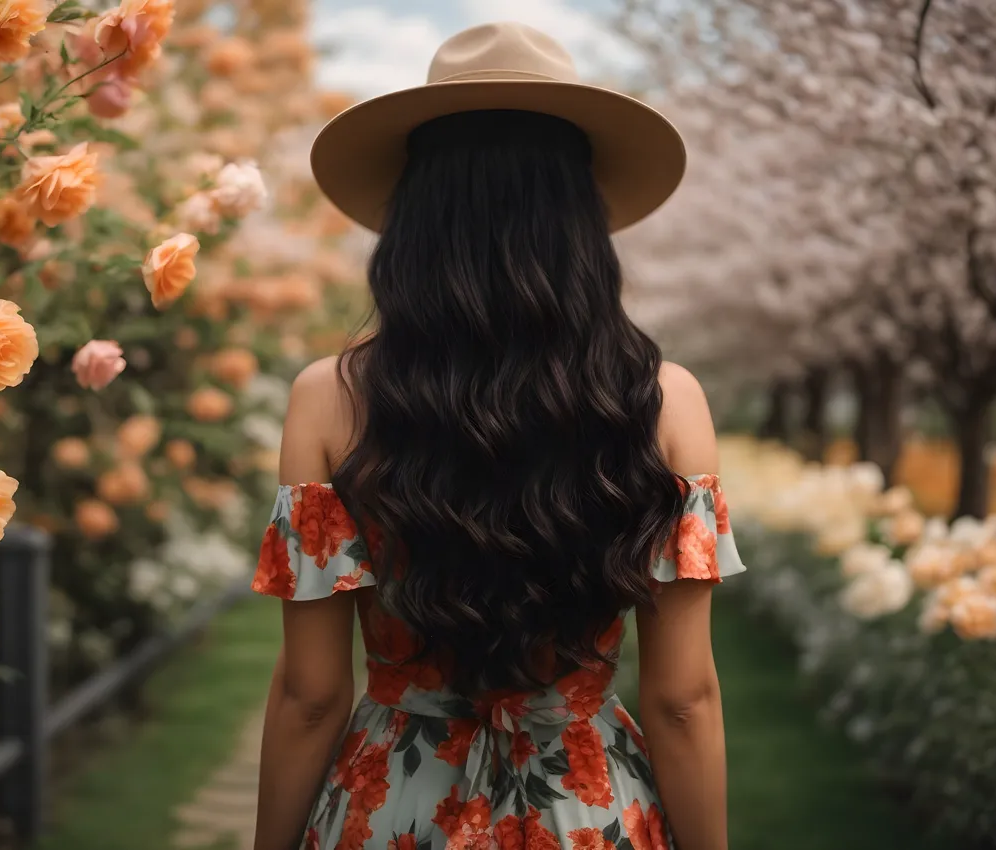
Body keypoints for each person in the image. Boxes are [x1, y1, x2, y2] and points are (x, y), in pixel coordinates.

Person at [251, 21, 743, 850]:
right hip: (589, 808)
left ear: (413, 217)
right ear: (581, 220)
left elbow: (309, 696)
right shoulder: (664, 402)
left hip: (391, 806)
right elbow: (682, 699)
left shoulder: (327, 400)